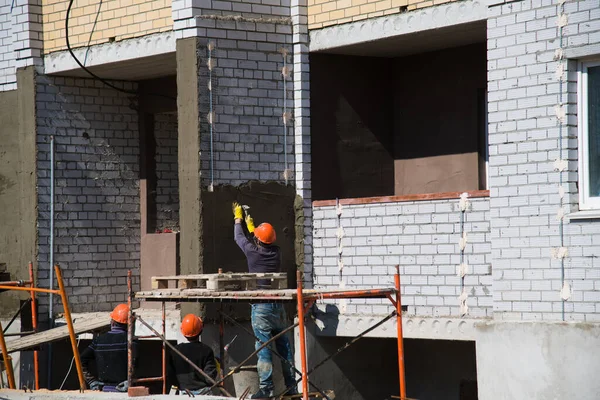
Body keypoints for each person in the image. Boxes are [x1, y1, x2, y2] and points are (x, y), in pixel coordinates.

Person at [232, 202, 298, 399]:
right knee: (284, 347)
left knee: (263, 348)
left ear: (259, 241)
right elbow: (260, 242)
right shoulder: (275, 252)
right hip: (278, 306)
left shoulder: (253, 252)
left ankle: (267, 390)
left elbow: (239, 238)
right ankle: (291, 387)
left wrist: (238, 218)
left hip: (261, 307)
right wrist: (254, 228)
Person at [81, 303, 134, 392]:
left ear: (112, 322)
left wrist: (91, 381)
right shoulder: (131, 342)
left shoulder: (98, 340)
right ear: (130, 324)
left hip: (104, 391)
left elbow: (80, 360)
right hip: (125, 391)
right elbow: (135, 365)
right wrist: (130, 381)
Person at [167, 314, 217, 395]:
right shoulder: (207, 351)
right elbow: (210, 379)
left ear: (182, 331)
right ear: (200, 331)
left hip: (184, 393)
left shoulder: (175, 351)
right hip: (204, 394)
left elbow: (171, 377)